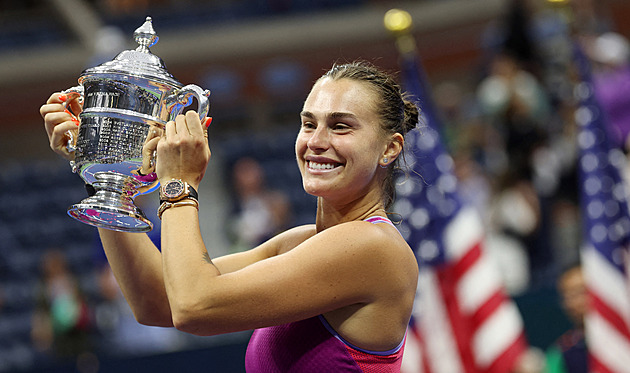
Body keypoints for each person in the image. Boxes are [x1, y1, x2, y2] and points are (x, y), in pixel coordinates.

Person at [40, 61, 419, 371]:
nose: (316, 141)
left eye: (340, 126)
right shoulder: (299, 242)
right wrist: (107, 174)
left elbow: (195, 307)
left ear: (389, 148)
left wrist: (180, 184)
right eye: (308, 123)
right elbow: (158, 302)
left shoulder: (373, 246)